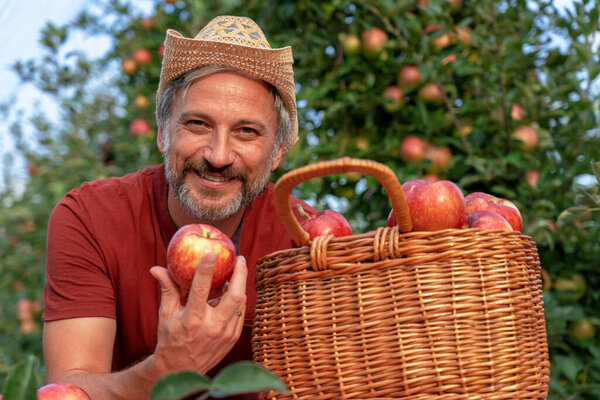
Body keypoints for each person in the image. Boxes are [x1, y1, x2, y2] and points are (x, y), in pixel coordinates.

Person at [42, 15, 314, 399]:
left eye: (246, 132)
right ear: (162, 131)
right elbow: (69, 389)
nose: (218, 155)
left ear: (277, 152)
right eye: (198, 124)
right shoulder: (90, 217)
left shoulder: (306, 236)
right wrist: (166, 368)